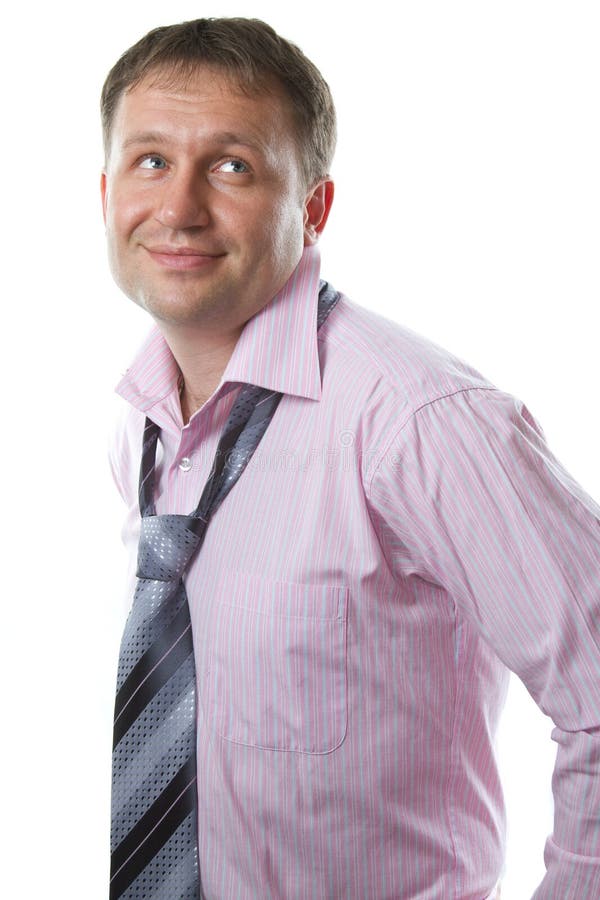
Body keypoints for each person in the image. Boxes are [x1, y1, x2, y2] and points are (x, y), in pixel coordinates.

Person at [102, 17, 600, 900]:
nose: (178, 208)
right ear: (105, 192)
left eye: (232, 166)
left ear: (315, 206)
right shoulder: (143, 425)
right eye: (150, 162)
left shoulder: (420, 420)